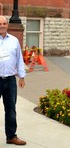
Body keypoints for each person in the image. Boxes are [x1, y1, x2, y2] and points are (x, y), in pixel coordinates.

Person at [0, 15, 26, 146]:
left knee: (11, 109)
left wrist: (21, 76)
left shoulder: (14, 41)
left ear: (7, 25)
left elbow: (19, 59)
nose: (2, 26)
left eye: (4, 23)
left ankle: (11, 136)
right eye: (0, 23)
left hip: (10, 81)